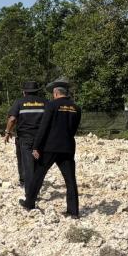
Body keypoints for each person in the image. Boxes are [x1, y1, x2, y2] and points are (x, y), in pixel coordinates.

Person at [21, 79, 82, 217]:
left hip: (50, 147)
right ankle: (73, 211)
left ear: (55, 93)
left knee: (38, 175)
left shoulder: (52, 105)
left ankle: (29, 203)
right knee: (70, 180)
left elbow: (44, 127)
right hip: (67, 147)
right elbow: (74, 129)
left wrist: (36, 146)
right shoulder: (76, 108)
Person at [4, 80, 46, 189]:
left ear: (24, 92)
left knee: (25, 162)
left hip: (25, 137)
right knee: (38, 160)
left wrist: (7, 132)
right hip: (41, 138)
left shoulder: (19, 102)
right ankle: (37, 182)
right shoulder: (45, 102)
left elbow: (12, 119)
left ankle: (28, 187)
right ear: (37, 91)